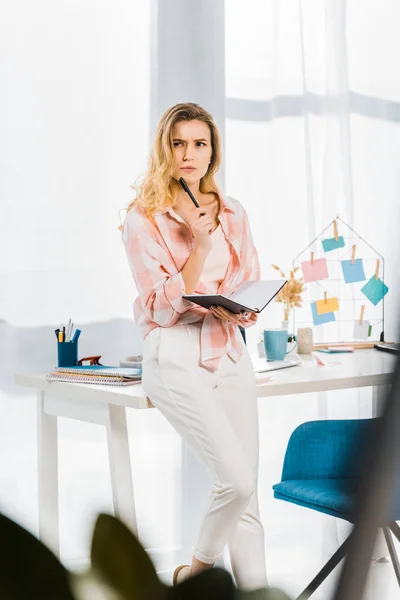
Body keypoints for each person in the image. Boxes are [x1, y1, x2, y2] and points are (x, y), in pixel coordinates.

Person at [122, 102, 267, 591]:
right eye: (179, 143)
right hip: (175, 351)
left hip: (229, 347)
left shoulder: (233, 212)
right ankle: (193, 578)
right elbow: (160, 306)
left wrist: (242, 307)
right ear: (166, 149)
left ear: (212, 152)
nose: (189, 153)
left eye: (199, 143)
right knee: (236, 479)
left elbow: (246, 278)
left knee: (249, 503)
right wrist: (199, 247)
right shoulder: (144, 219)